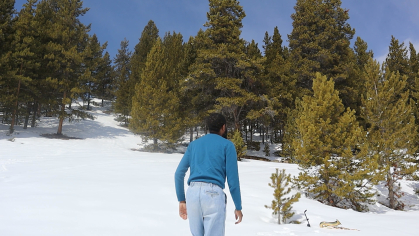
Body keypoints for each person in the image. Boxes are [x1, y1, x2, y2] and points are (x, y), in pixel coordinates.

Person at [175, 113, 243, 236]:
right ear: (223, 127)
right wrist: (238, 206)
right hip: (213, 195)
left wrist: (181, 200)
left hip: (193, 194)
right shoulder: (227, 145)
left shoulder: (194, 145)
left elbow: (179, 173)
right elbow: (233, 181)